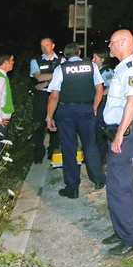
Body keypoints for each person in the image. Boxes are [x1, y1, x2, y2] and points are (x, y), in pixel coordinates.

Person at [99, 29, 133, 256]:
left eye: (112, 42)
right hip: (120, 133)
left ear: (122, 42)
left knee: (120, 186)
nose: (109, 46)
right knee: (117, 184)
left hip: (125, 134)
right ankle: (120, 230)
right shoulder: (122, 68)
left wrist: (120, 134)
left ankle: (132, 238)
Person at [46, 42, 106, 199]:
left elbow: (54, 96)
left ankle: (72, 188)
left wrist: (49, 117)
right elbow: (100, 89)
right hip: (86, 109)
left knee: (69, 148)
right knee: (90, 144)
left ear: (66, 55)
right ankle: (98, 179)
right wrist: (94, 107)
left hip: (66, 110)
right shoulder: (91, 66)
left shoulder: (61, 69)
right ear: (79, 52)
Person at [29, 37, 63, 163]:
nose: (44, 48)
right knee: (39, 126)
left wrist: (47, 81)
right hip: (41, 96)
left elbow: (65, 76)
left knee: (56, 125)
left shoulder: (61, 59)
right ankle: (38, 154)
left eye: (47, 45)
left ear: (53, 46)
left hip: (57, 95)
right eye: (42, 45)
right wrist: (56, 76)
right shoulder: (35, 60)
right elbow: (38, 77)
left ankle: (53, 152)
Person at [92, 49, 114, 165]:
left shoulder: (106, 71)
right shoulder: (97, 71)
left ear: (102, 59)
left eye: (95, 58)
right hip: (99, 103)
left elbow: (111, 86)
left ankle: (103, 158)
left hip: (104, 104)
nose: (93, 60)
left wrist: (100, 95)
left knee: (101, 130)